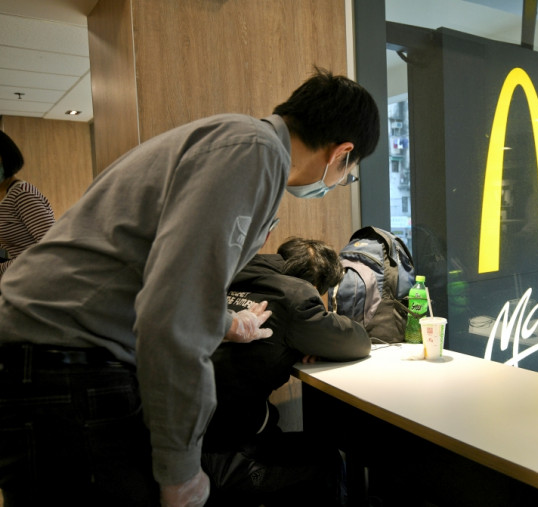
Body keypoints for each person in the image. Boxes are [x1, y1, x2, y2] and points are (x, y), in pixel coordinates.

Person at [0, 67, 380, 507]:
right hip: (62, 369)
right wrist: (181, 473)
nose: (340, 182)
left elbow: (162, 275)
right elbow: (174, 314)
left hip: (43, 359)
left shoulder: (232, 141)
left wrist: (225, 322)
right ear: (342, 153)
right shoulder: (254, 155)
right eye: (349, 173)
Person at [201, 237, 371, 506]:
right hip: (227, 455)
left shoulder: (231, 274)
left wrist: (298, 342)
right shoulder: (296, 296)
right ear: (316, 286)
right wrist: (313, 340)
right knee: (325, 458)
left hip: (188, 441)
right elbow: (356, 342)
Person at [0, 130, 55, 279]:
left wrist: (3, 268)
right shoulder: (3, 196)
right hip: (22, 274)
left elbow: (51, 246)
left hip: (37, 276)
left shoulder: (21, 194)